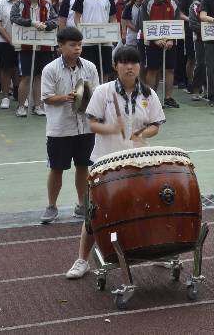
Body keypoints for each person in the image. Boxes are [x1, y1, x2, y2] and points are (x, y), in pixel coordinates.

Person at [65, 46, 166, 279]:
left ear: (140, 66)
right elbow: (91, 123)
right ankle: (82, 260)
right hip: (104, 162)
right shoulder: (103, 92)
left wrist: (142, 134)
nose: (129, 67)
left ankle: (158, 252)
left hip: (139, 162)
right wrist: (112, 129)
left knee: (148, 206)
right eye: (123, 62)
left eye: (133, 62)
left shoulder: (149, 94)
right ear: (115, 66)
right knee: (94, 213)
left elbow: (155, 125)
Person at [39, 27, 100, 223]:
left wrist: (85, 98)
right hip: (60, 128)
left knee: (83, 166)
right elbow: (46, 98)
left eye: (79, 45)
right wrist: (68, 98)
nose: (77, 49)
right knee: (57, 168)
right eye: (72, 45)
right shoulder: (50, 69)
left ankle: (82, 204)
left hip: (85, 127)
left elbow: (97, 94)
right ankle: (51, 206)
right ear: (61, 46)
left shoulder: (90, 67)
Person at [10, 0, 58, 117]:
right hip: (25, 45)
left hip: (44, 45)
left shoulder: (47, 5)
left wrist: (46, 25)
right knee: (26, 77)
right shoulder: (20, 3)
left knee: (39, 76)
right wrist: (31, 23)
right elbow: (14, 18)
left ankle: (37, 106)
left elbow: (54, 20)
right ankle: (21, 107)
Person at [135, 0, 181, 108]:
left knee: (169, 69)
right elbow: (143, 23)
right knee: (152, 69)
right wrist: (155, 40)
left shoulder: (174, 1)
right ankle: (150, 98)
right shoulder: (147, 2)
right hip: (151, 42)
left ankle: (168, 98)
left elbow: (177, 22)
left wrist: (171, 39)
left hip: (170, 42)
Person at [72, 0, 117, 81]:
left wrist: (112, 34)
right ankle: (91, 96)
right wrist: (80, 32)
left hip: (105, 39)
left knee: (105, 69)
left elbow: (113, 18)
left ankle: (104, 95)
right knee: (89, 69)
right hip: (88, 40)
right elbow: (77, 17)